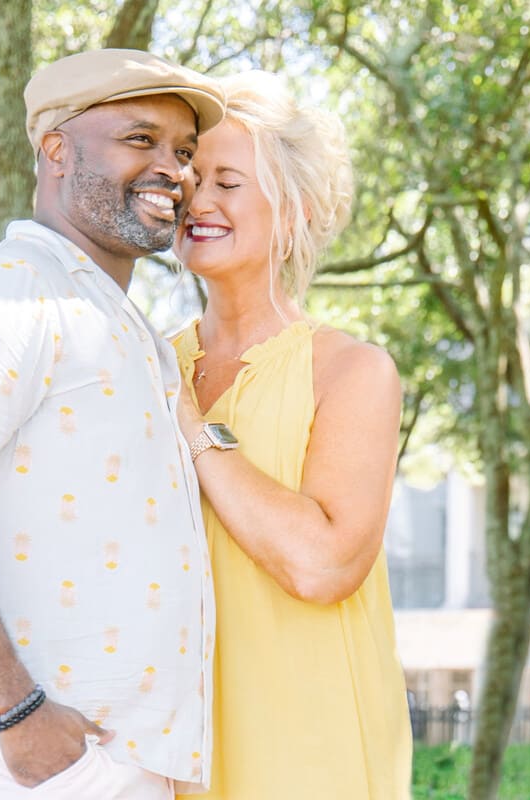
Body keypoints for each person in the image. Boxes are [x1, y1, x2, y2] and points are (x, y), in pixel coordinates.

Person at [0, 49, 224, 799]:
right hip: (17, 764)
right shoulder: (5, 290)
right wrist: (18, 716)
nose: (175, 170)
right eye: (140, 139)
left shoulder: (123, 325)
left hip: (95, 764)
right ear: (56, 148)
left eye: (184, 151)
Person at [170, 70, 412, 799]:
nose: (197, 200)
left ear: (296, 210)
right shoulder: (144, 360)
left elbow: (324, 566)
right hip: (177, 756)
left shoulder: (352, 372)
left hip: (313, 751)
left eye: (228, 182)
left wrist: (191, 426)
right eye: (188, 176)